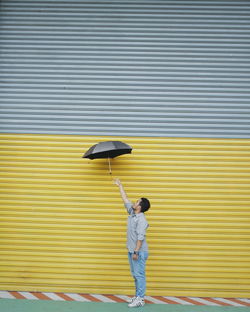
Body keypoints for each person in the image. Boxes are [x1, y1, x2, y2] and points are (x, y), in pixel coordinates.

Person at [114, 178, 150, 308]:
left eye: (137, 201)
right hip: (132, 250)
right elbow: (125, 199)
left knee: (139, 275)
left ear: (140, 207)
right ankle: (137, 296)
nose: (134, 202)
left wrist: (136, 252)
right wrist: (120, 185)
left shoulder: (141, 220)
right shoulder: (132, 213)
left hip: (138, 251)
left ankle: (140, 298)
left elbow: (140, 237)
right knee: (135, 274)